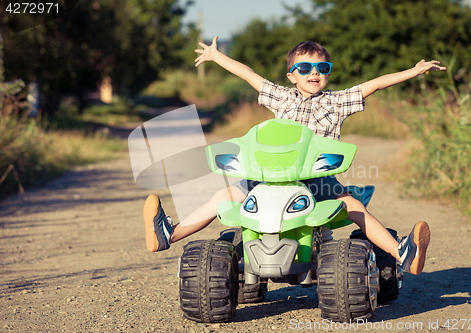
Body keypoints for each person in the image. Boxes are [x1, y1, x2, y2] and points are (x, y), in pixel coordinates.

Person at [143, 37, 445, 275]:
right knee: (223, 197)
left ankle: (403, 253)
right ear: (292, 75)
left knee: (352, 205)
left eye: (322, 68)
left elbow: (375, 84)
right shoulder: (281, 97)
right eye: (305, 68)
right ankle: (170, 234)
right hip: (268, 177)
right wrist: (215, 56)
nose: (314, 73)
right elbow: (249, 75)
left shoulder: (337, 102)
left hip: (314, 179)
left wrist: (414, 71)